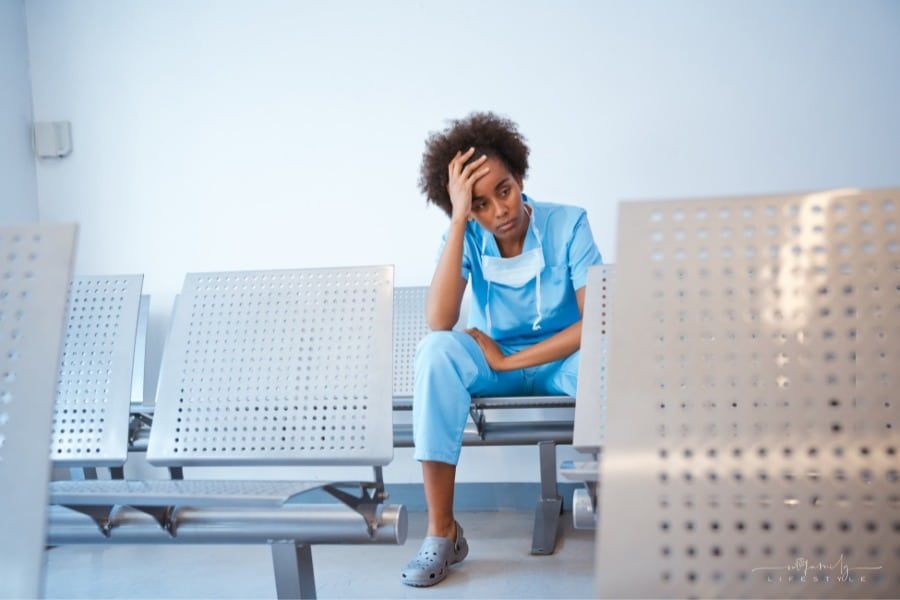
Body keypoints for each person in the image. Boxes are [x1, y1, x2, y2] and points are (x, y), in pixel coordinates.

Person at [401, 112, 603, 587]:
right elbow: (440, 321)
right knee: (436, 352)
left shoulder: (569, 224)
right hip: (492, 366)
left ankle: (617, 505)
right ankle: (441, 532)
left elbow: (596, 321)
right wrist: (456, 221)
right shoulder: (467, 234)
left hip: (560, 362)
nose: (500, 211)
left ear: (520, 177)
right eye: (480, 204)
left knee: (610, 357)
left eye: (504, 190)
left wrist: (509, 359)